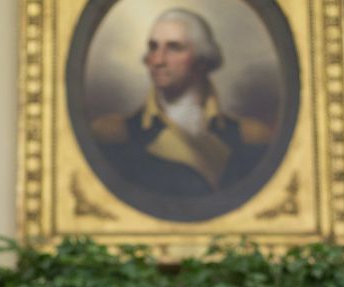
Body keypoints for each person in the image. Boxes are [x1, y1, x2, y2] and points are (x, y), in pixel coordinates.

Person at [90, 7, 272, 197]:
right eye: (153, 47)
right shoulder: (116, 136)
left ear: (202, 59)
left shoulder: (249, 138)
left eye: (174, 47)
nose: (158, 60)